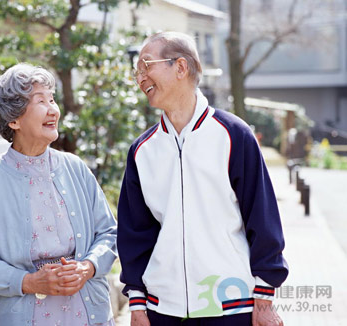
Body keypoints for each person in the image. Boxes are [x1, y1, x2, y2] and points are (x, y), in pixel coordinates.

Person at [117, 32, 289, 326]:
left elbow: (261, 217)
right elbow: (135, 232)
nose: (140, 78)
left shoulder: (234, 135)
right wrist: (137, 302)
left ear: (181, 67)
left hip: (231, 305)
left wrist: (264, 296)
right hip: (163, 309)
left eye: (147, 66)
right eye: (137, 71)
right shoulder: (142, 151)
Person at [0, 63, 117, 326]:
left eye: (52, 99)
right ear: (14, 119)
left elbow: (109, 232)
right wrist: (30, 282)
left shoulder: (75, 167)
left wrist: (87, 267)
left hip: (90, 312)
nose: (53, 109)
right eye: (40, 100)